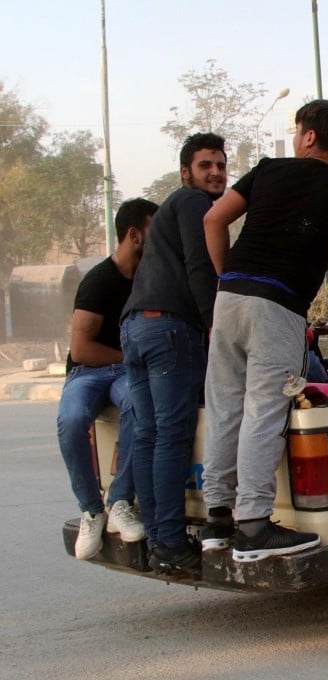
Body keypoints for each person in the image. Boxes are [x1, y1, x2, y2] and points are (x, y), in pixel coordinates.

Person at [201, 100, 328, 562]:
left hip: (230, 300)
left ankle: (217, 520)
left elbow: (213, 219)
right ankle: (253, 526)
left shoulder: (268, 171)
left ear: (309, 136)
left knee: (225, 406)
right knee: (264, 411)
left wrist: (225, 276)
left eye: (297, 131)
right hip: (279, 309)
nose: (296, 138)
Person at [120, 133, 226, 576]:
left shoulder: (171, 208)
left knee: (149, 435)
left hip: (135, 327)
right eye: (205, 166)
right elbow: (201, 265)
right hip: (169, 329)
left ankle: (156, 539)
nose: (215, 173)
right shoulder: (194, 203)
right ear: (186, 173)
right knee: (170, 436)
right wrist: (214, 323)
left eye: (220, 165)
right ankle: (170, 541)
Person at [59, 198, 157, 560]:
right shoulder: (99, 280)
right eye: (154, 231)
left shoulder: (151, 280)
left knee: (139, 403)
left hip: (126, 372)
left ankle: (119, 502)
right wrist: (128, 358)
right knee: (71, 420)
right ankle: (91, 509)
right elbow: (81, 349)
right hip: (89, 371)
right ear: (134, 235)